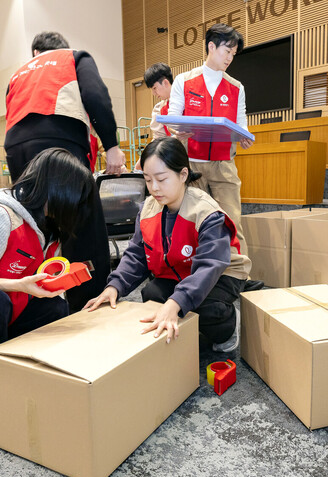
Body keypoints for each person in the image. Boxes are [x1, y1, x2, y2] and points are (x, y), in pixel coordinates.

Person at [85, 137, 252, 352]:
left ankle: (228, 323)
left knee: (208, 308)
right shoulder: (148, 209)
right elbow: (136, 254)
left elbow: (209, 266)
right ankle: (186, 325)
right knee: (152, 295)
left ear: (183, 175)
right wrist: (114, 286)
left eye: (162, 179)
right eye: (148, 180)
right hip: (178, 269)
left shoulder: (206, 212)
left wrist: (176, 302)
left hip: (221, 273)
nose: (154, 188)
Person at [4, 31, 126, 311]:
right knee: (82, 223)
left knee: (35, 223)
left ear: (35, 53)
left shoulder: (18, 73)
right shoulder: (74, 57)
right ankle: (90, 302)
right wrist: (111, 145)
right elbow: (95, 96)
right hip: (61, 139)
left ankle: (32, 299)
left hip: (17, 148)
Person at [168, 23, 253, 257]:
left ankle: (238, 273)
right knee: (192, 224)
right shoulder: (184, 81)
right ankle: (193, 271)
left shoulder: (236, 87)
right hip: (191, 165)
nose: (230, 58)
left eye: (233, 54)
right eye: (227, 51)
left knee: (232, 223)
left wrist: (244, 136)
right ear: (211, 46)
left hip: (224, 165)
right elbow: (173, 117)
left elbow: (241, 122)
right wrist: (177, 130)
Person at [0, 148, 98, 343]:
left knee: (56, 308)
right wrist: (17, 285)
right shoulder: (5, 216)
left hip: (16, 309)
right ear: (57, 190)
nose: (76, 205)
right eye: (75, 197)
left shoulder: (51, 227)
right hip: (5, 303)